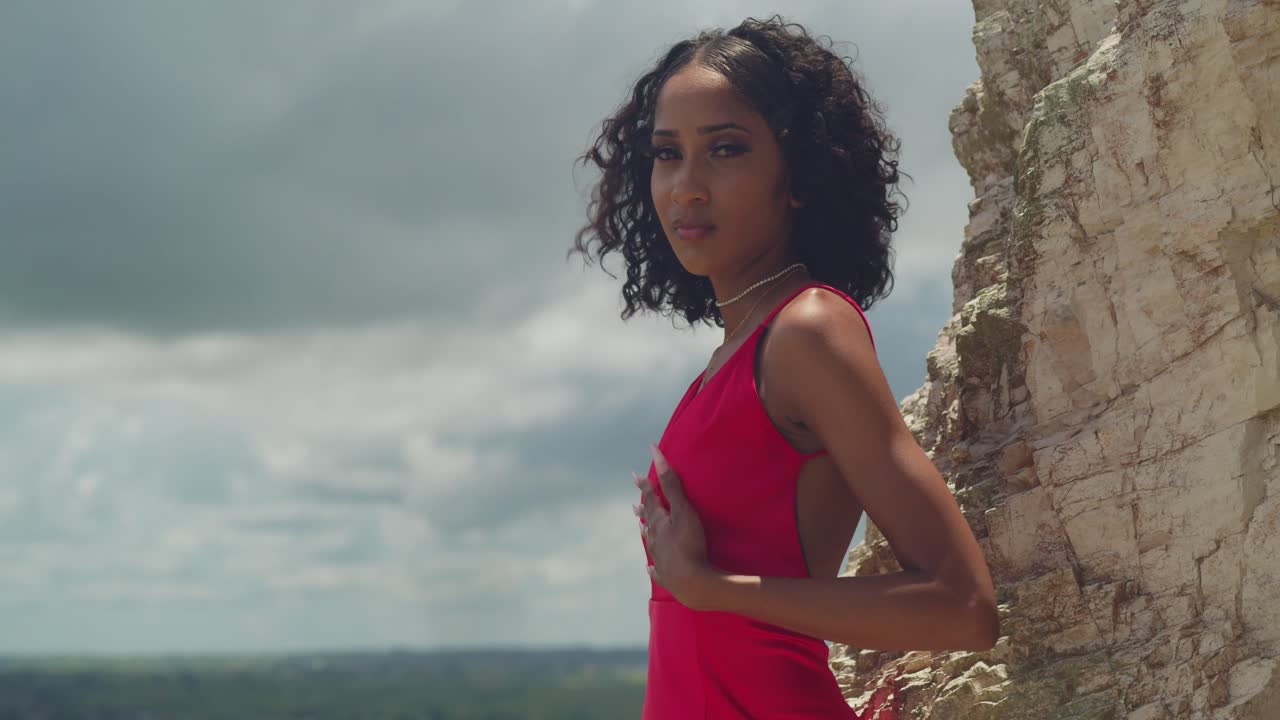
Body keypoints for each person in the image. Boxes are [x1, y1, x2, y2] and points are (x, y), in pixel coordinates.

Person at [569, 14, 998, 719]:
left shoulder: (809, 331)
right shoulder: (733, 355)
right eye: (668, 154)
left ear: (796, 175)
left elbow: (963, 606)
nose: (687, 187)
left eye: (726, 149)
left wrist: (711, 589)